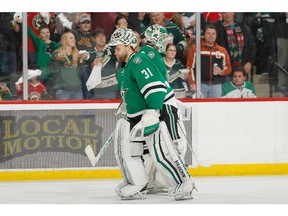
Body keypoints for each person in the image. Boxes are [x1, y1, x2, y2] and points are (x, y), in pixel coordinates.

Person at [108, 27, 195, 200]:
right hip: (137, 116)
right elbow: (132, 92)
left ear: (129, 45)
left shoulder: (139, 60)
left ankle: (183, 182)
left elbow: (156, 88)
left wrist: (152, 112)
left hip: (150, 114)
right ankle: (137, 182)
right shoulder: (125, 67)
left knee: (160, 151)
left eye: (117, 48)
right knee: (129, 151)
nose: (114, 52)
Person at [186, 23, 232, 98]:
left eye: (213, 33)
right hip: (200, 85)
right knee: (200, 108)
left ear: (216, 35)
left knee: (215, 108)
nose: (211, 36)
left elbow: (228, 67)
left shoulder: (222, 51)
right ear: (204, 34)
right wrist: (193, 83)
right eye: (208, 33)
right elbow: (189, 67)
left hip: (216, 85)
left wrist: (222, 72)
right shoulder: (196, 49)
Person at [214, 12, 256, 82]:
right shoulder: (217, 29)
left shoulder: (244, 29)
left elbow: (251, 47)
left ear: (233, 12)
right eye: (224, 13)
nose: (226, 14)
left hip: (242, 69)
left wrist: (249, 62)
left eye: (228, 12)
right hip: (225, 70)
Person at [47, 32, 88, 100]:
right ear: (65, 40)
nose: (73, 40)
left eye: (74, 38)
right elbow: (52, 71)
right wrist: (58, 59)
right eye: (71, 38)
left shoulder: (78, 55)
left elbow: (82, 75)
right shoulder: (56, 53)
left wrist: (81, 61)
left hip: (77, 91)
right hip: (63, 92)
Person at [85, 28, 119, 99]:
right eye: (98, 36)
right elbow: (85, 71)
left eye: (102, 36)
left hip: (111, 88)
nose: (101, 38)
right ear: (94, 39)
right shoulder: (89, 54)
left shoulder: (113, 51)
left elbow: (122, 63)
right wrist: (91, 65)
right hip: (96, 90)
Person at [27, 24, 60, 98]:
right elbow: (31, 33)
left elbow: (61, 50)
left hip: (51, 76)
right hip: (41, 75)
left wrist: (51, 43)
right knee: (40, 96)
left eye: (48, 32)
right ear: (39, 35)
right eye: (43, 33)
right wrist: (22, 22)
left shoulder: (53, 44)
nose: (46, 34)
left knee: (50, 97)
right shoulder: (38, 43)